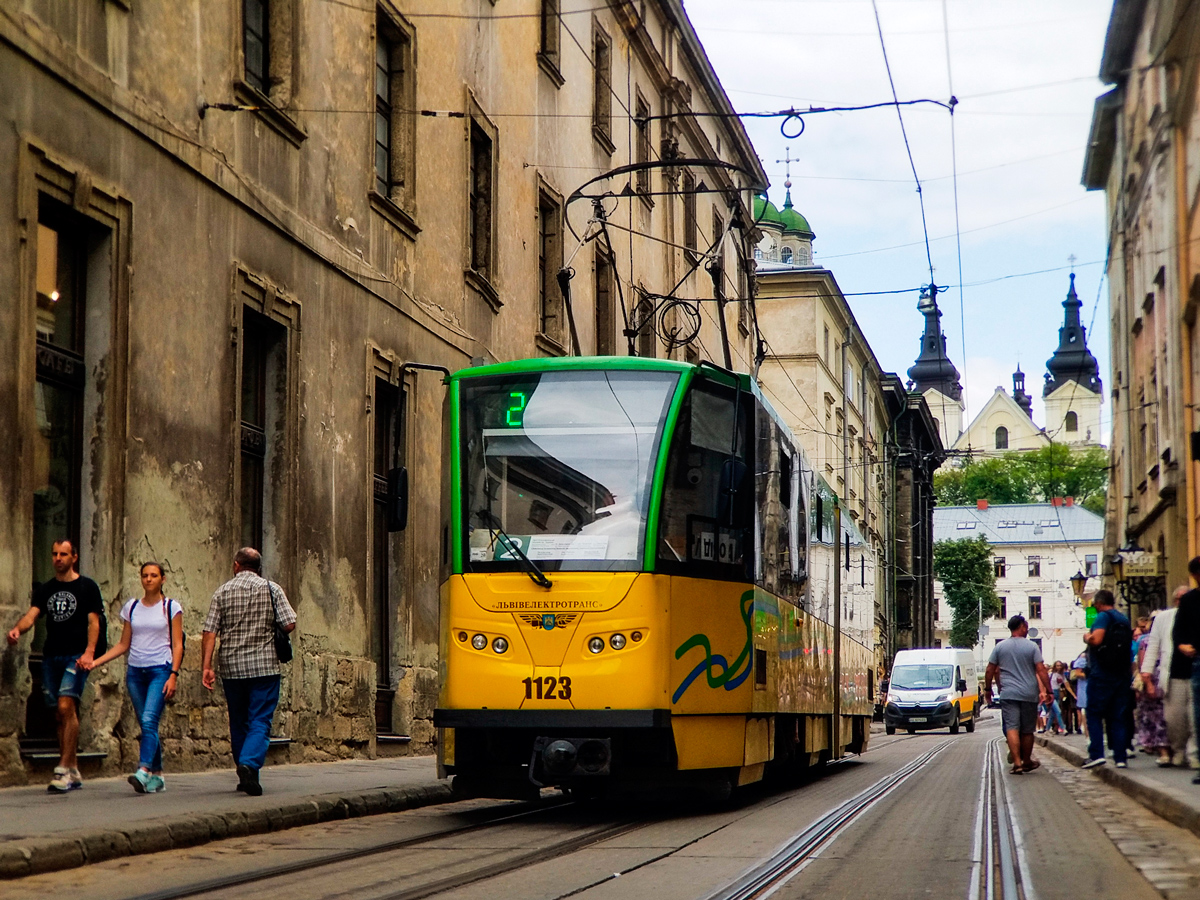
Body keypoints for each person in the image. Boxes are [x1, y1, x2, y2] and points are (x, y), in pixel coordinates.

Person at [6, 539, 103, 792]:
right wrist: (17, 629)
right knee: (60, 714)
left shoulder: (87, 587)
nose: (58, 558)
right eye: (54, 554)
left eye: (63, 554)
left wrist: (89, 653)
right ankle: (72, 768)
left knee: (66, 704)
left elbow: (94, 622)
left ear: (74, 557)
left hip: (76, 656)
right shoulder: (46, 589)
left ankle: (62, 768)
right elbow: (32, 615)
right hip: (51, 656)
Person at [201, 547, 296, 796]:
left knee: (239, 720)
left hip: (232, 668)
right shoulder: (271, 588)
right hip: (264, 666)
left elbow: (209, 631)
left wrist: (206, 666)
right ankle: (249, 764)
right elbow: (289, 623)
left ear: (236, 565)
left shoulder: (221, 592)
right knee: (260, 719)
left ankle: (247, 775)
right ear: (258, 567)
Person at [83, 562, 184, 792]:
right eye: (145, 576)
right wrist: (96, 662)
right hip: (136, 672)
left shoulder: (170, 607)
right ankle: (158, 775)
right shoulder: (132, 607)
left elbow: (178, 645)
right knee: (147, 723)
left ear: (162, 579)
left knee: (149, 719)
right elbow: (123, 644)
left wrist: (173, 675)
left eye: (154, 575)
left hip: (161, 669)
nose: (149, 579)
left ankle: (144, 770)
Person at [985, 615, 1053, 774]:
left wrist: (988, 689)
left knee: (1012, 727)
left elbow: (990, 670)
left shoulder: (1000, 647)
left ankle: (1017, 763)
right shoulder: (1032, 647)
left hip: (1008, 693)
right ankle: (1027, 760)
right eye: (1026, 626)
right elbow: (1041, 670)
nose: (1027, 629)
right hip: (1029, 693)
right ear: (1021, 626)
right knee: (1028, 730)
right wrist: (1048, 691)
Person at [1082, 590, 1133, 769]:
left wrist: (1087, 637)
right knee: (1117, 716)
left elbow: (1096, 640)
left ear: (1098, 603)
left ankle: (1096, 754)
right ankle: (1120, 757)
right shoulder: (1123, 619)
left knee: (1094, 713)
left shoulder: (1103, 617)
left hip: (1102, 673)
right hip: (1122, 673)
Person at [1142, 586, 1191, 767]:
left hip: (1193, 671)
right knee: (1174, 717)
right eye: (1180, 599)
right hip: (1170, 673)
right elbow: (1152, 646)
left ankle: (1191, 754)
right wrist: (1146, 676)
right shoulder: (1163, 618)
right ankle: (1178, 749)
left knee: (1192, 716)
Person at [1175, 556, 1200, 784]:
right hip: (1198, 661)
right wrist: (1184, 647)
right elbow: (1179, 633)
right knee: (1198, 714)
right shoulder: (1190, 600)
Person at [1133, 613, 1169, 765]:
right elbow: (1142, 664)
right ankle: (1160, 748)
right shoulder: (1146, 641)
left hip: (1162, 679)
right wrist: (1145, 682)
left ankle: (1158, 747)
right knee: (1156, 716)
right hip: (1154, 679)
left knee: (1156, 716)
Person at [1056, 661, 1078, 734]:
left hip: (1062, 694)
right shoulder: (1070, 674)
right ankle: (1069, 727)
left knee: (1062, 710)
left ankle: (1061, 727)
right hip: (1067, 694)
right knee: (1069, 710)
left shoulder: (1061, 675)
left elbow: (1066, 686)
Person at [1070, 651, 1089, 736]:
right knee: (1086, 711)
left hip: (1097, 688)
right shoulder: (1083, 656)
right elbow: (1078, 673)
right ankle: (1088, 736)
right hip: (1085, 688)